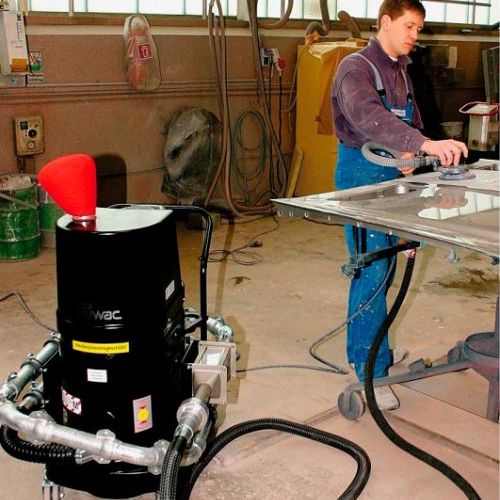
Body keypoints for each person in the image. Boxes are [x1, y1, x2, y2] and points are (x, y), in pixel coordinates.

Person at [331, 0, 468, 410]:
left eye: (419, 28)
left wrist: (416, 154)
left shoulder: (400, 72)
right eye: (409, 26)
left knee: (387, 270)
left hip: (394, 179)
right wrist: (421, 144)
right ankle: (369, 368)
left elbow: (412, 126)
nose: (415, 35)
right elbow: (369, 117)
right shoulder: (355, 69)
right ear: (385, 22)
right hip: (361, 177)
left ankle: (375, 350)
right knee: (371, 274)